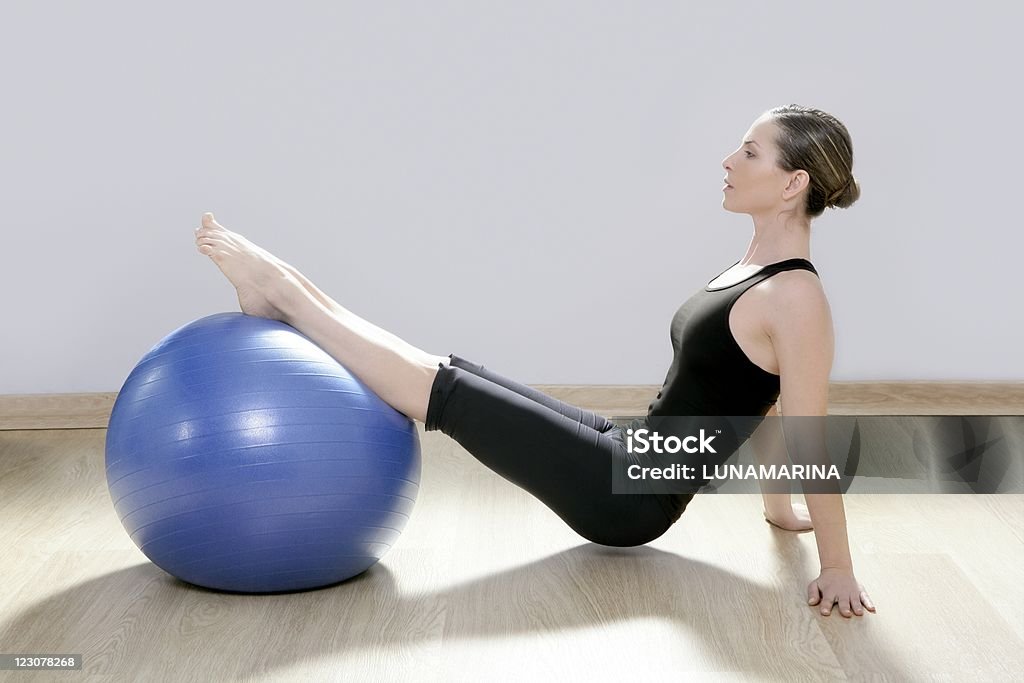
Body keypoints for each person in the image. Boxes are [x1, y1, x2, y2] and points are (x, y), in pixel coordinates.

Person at [194, 104, 875, 618]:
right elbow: (760, 396)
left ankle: (280, 289)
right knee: (452, 368)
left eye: (749, 152)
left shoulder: (796, 296)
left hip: (632, 496)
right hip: (627, 447)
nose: (729, 159)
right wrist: (778, 509)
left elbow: (806, 429)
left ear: (792, 184)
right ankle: (281, 290)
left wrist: (836, 565)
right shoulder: (757, 265)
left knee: (446, 391)